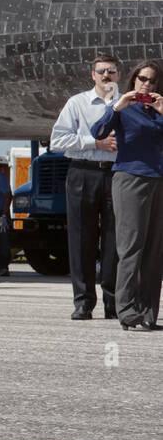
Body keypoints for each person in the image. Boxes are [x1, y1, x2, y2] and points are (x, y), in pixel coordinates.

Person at [92, 60, 163, 331]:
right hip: (130, 179)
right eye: (142, 78)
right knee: (131, 247)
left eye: (152, 80)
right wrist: (116, 107)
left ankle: (148, 314)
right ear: (133, 81)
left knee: (154, 250)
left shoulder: (159, 111)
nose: (146, 84)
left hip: (159, 181)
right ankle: (126, 309)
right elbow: (97, 133)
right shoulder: (123, 110)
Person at [51, 55, 121, 320]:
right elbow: (58, 139)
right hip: (83, 172)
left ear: (118, 74)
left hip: (117, 174)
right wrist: (95, 142)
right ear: (93, 75)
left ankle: (113, 302)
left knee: (116, 240)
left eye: (111, 71)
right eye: (101, 71)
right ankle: (83, 302)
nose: (106, 76)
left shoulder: (126, 103)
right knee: (81, 239)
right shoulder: (77, 103)